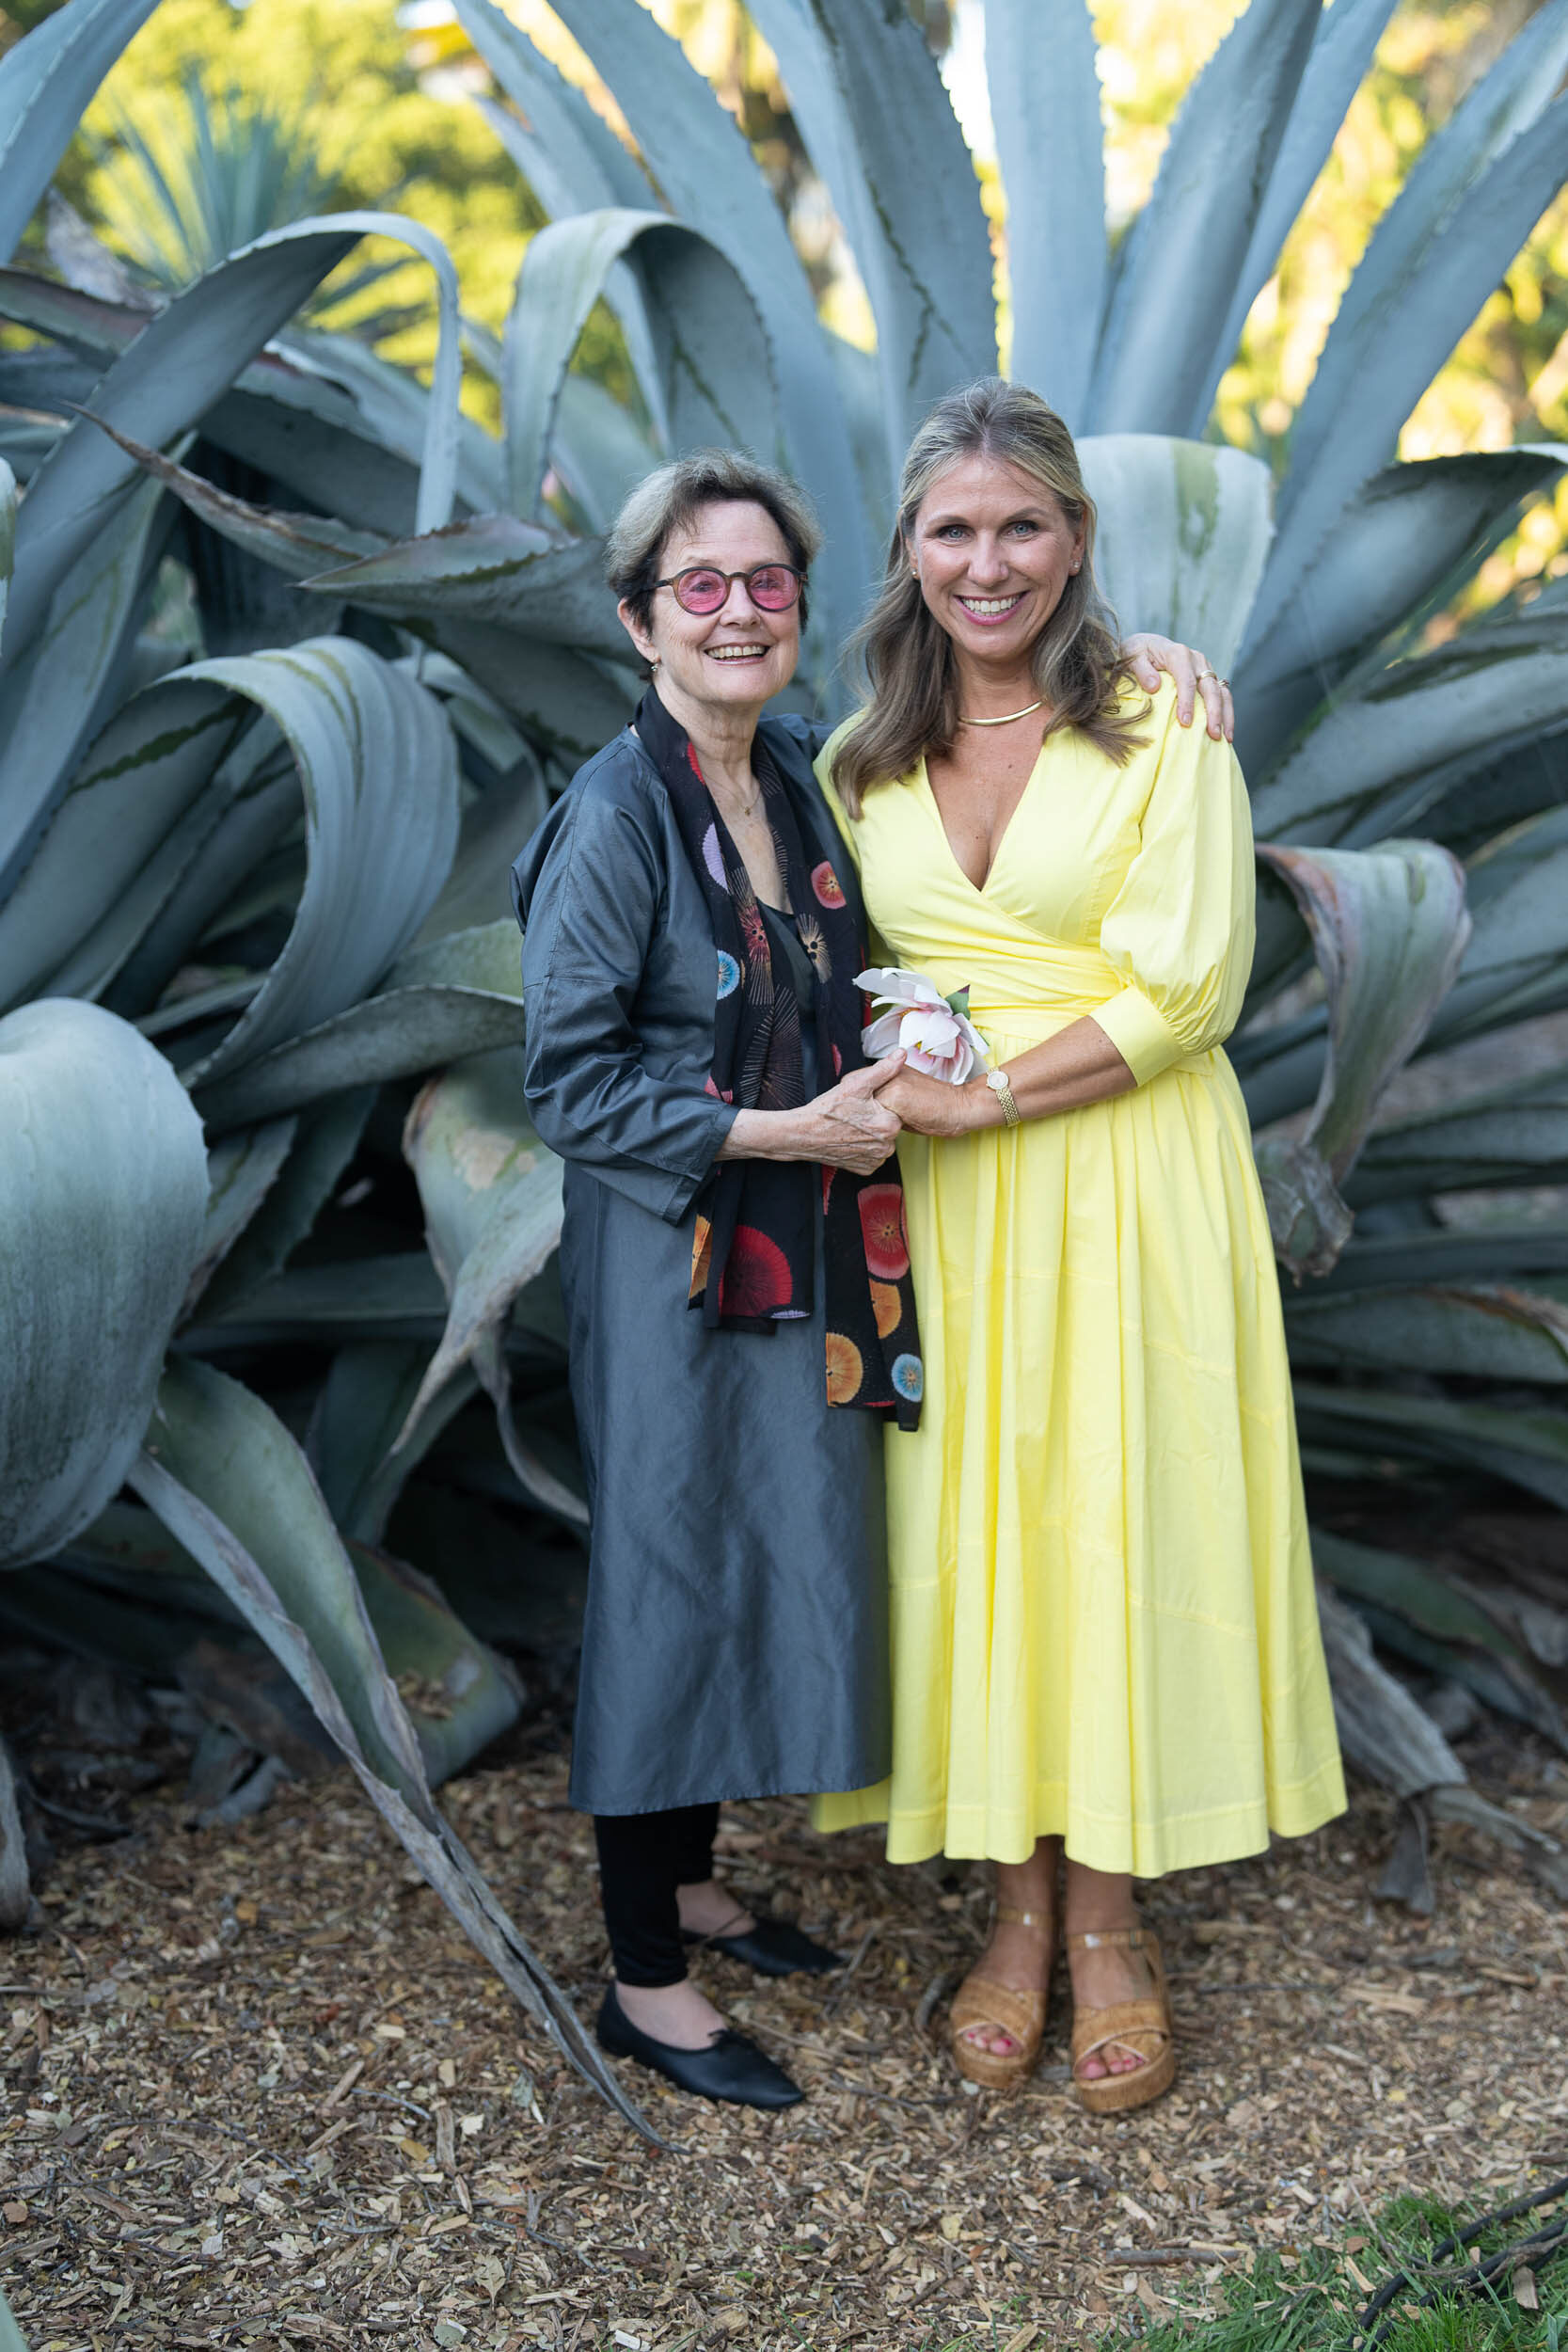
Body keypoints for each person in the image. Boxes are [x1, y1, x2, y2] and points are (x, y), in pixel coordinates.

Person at [512, 445, 1230, 2113]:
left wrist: (1156, 659)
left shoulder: (796, 781)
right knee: (671, 1568)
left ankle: (693, 1881)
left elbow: (890, 972)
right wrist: (784, 1125)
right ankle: (647, 1980)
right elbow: (568, 1082)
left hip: (799, 1239)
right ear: (641, 623)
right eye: (701, 586)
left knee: (745, 1535)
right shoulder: (621, 809)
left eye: (768, 582)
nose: (740, 610)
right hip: (679, 1247)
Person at [815, 378, 1345, 2116]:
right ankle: (1014, 1907)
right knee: (979, 1528)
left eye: (1022, 525)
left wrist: (992, 1104)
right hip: (943, 1208)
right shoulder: (857, 758)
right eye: (954, 529)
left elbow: (1193, 984)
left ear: (1078, 539)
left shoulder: (1160, 726)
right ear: (909, 549)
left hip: (1115, 1167)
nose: (988, 562)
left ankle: (1107, 1920)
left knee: (1103, 1518)